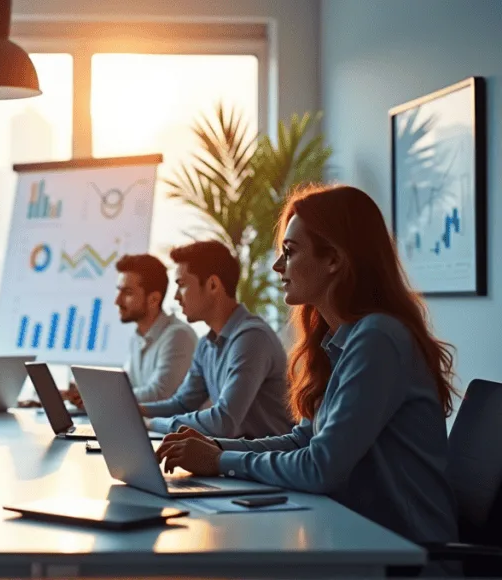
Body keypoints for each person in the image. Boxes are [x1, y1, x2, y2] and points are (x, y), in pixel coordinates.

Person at [157, 185, 458, 545]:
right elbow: (303, 438)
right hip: (355, 533)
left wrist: (219, 461)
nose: (277, 265)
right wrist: (217, 448)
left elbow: (320, 467)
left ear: (334, 259)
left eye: (290, 251)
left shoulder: (378, 338)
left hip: (404, 551)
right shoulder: (341, 339)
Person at [138, 240, 292, 438]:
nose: (176, 297)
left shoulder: (252, 338)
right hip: (234, 457)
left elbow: (223, 422)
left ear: (212, 285)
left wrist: (151, 424)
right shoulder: (206, 344)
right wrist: (136, 410)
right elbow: (183, 404)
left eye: (182, 285)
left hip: (262, 462)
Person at [66, 254, 196, 406]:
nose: (117, 301)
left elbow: (159, 394)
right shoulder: (138, 336)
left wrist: (99, 397)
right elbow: (127, 385)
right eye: (118, 291)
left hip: (168, 429)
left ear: (153, 299)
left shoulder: (178, 335)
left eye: (127, 293)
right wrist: (86, 392)